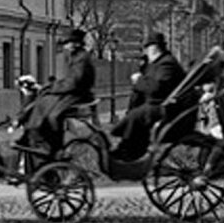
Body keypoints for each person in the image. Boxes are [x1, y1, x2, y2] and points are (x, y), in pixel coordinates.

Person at [109, 33, 189, 162]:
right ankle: (132, 149)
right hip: (160, 104)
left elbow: (156, 88)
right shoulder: (160, 63)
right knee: (137, 114)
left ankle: (129, 151)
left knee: (137, 115)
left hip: (168, 108)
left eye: (146, 49)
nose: (145, 52)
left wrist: (139, 80)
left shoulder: (166, 64)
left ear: (154, 48)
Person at [19, 28, 95, 155]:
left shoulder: (81, 58)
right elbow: (70, 80)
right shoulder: (76, 56)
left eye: (68, 43)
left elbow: (73, 82)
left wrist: (53, 88)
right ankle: (32, 135)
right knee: (43, 101)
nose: (66, 46)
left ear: (76, 44)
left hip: (78, 94)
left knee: (52, 114)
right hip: (72, 91)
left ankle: (55, 147)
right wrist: (51, 87)